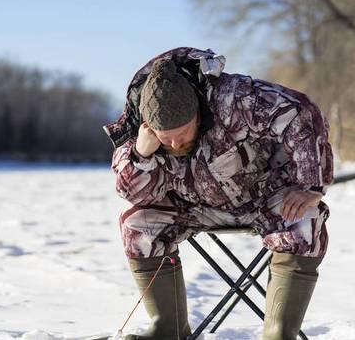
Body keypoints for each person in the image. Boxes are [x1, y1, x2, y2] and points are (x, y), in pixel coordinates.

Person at [103, 47, 333, 340]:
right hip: (192, 208)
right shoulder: (137, 130)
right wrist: (141, 154)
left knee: (306, 220)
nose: (174, 144)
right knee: (136, 223)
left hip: (266, 198)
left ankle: (279, 333)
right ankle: (168, 330)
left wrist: (311, 184)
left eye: (183, 133)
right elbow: (130, 192)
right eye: (166, 138)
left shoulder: (235, 97)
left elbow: (300, 111)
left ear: (197, 112)